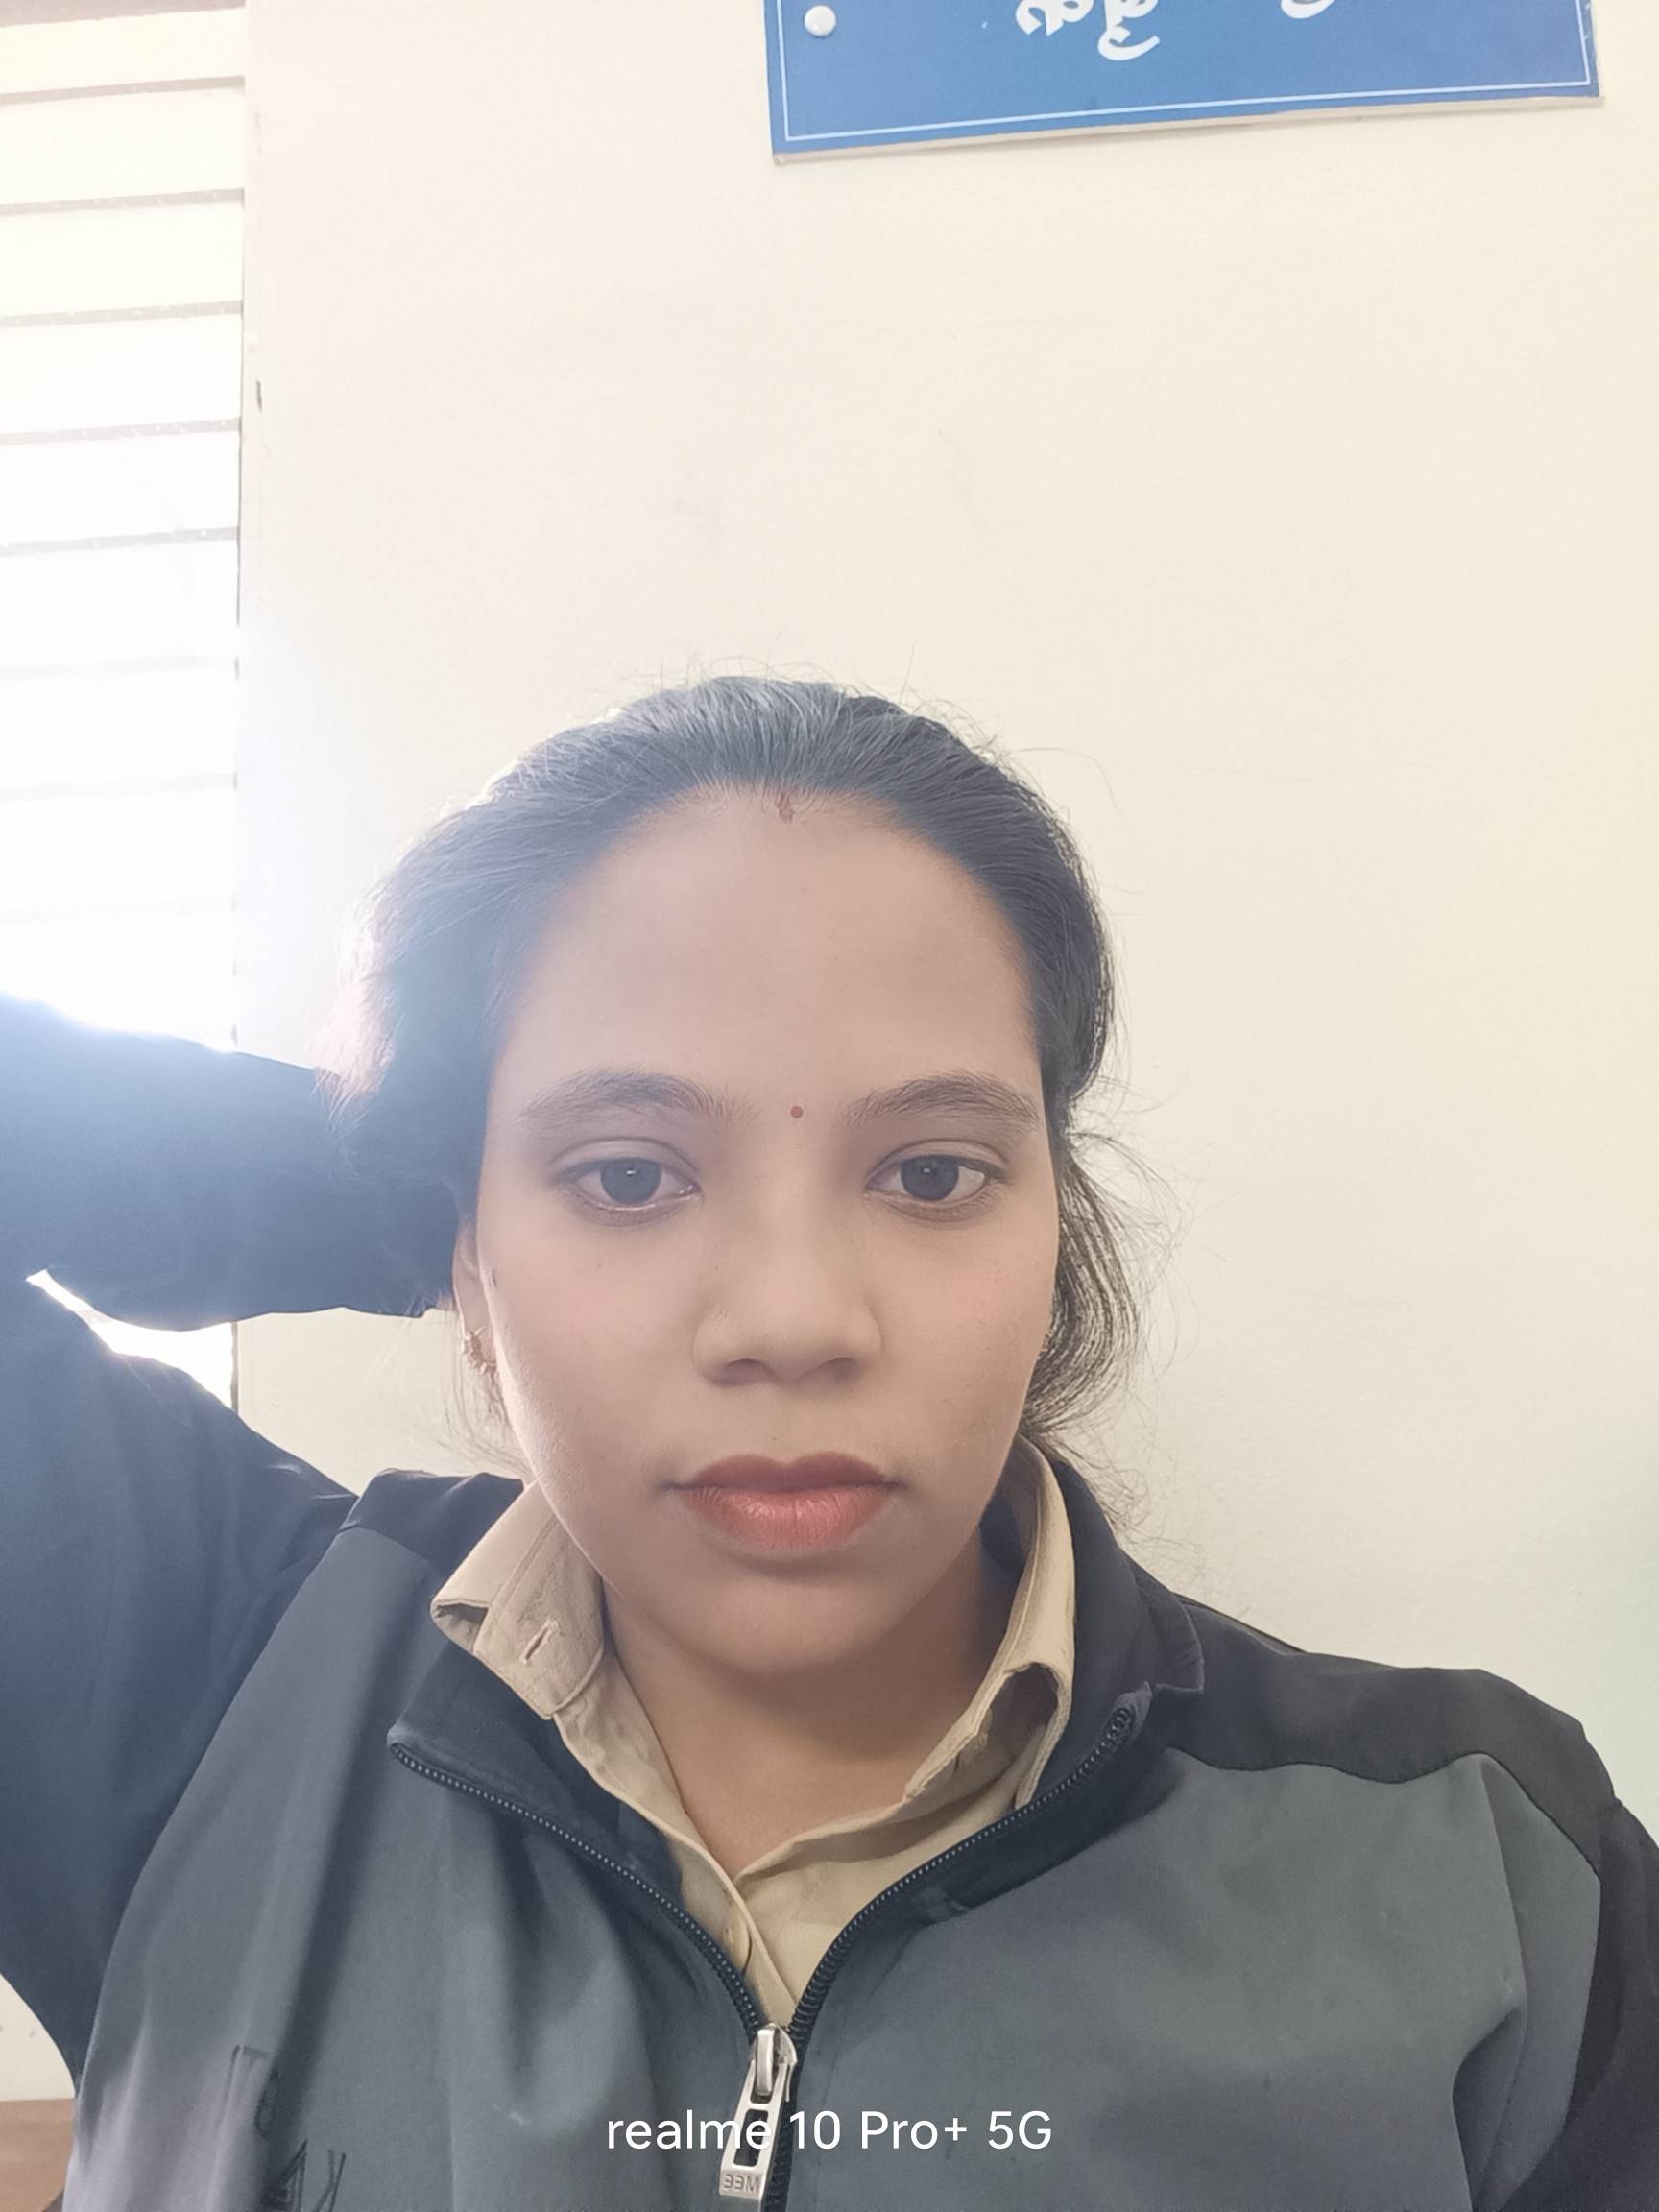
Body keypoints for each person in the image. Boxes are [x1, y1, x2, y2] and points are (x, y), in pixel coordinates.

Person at [0, 675, 1652, 2212]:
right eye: (627, 1176)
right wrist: (397, 1176)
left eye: (931, 1173)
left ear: (1054, 1229)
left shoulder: (1489, 1872)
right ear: (470, 1249)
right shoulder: (192, 1674)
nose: (793, 1319)